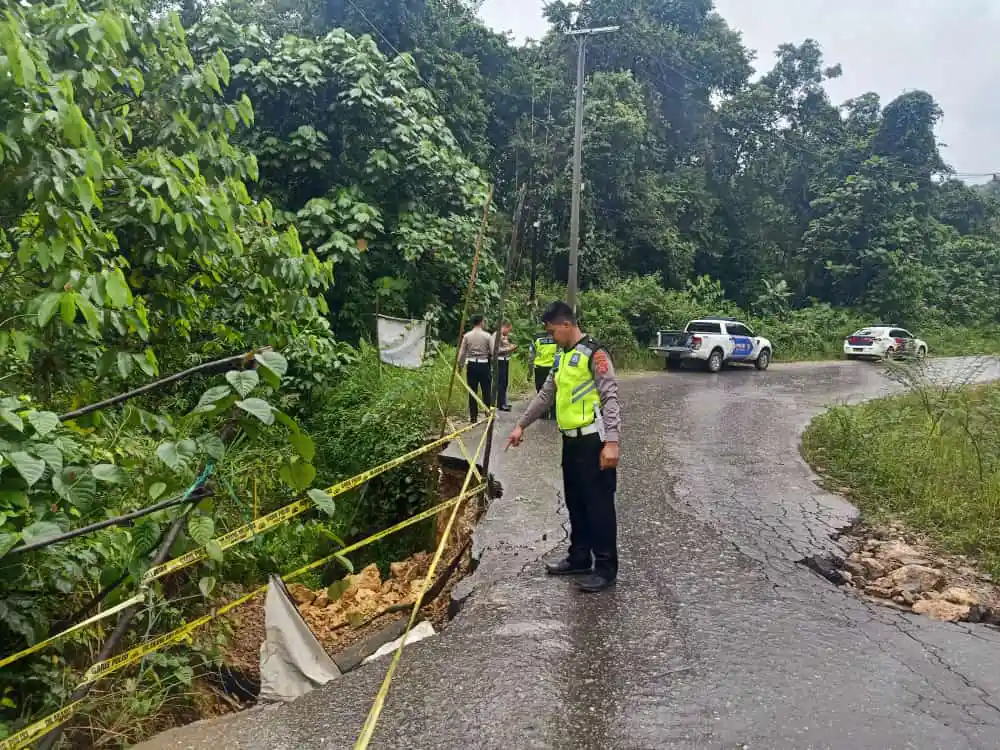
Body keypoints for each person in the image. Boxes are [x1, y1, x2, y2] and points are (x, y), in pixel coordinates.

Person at [505, 301, 621, 593]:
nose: (552, 336)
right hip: (570, 442)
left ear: (566, 324)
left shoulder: (595, 354)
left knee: (599, 506)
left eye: (553, 330)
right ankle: (579, 557)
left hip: (594, 441)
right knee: (576, 503)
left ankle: (605, 568)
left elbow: (610, 398)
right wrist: (521, 424)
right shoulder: (561, 357)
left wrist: (612, 442)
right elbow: (546, 395)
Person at [457, 314, 493, 423]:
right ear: (481, 322)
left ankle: (473, 417)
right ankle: (487, 413)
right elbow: (492, 351)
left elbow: (462, 353)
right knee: (486, 390)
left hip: (471, 365)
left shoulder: (467, 336)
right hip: (484, 365)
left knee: (472, 391)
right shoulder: (487, 336)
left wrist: (460, 365)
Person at [528, 326, 558, 420]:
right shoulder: (557, 337)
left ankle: (543, 414)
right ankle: (554, 414)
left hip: (540, 368)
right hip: (554, 368)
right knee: (554, 391)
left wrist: (530, 371)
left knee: (541, 392)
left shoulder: (536, 337)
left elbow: (531, 355)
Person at [494, 321, 516, 412]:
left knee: (504, 382)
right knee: (501, 383)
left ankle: (502, 402)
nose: (509, 332)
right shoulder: (497, 335)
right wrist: (510, 348)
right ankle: (500, 404)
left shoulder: (504, 336)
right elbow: (496, 350)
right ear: (504, 327)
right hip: (500, 361)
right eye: (508, 330)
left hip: (505, 360)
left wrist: (510, 347)